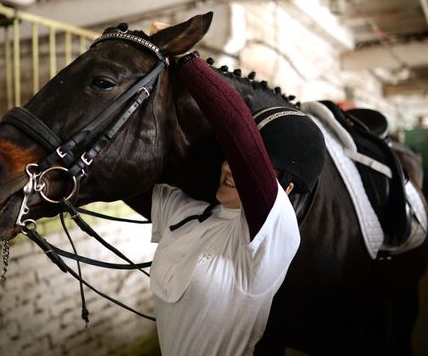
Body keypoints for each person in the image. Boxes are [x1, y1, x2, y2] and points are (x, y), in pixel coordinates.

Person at [127, 51, 325, 355]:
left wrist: (186, 59)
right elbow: (118, 175)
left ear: (286, 189)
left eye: (253, 168)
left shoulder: (274, 237)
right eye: (229, 159)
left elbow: (241, 139)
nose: (231, 168)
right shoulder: (186, 210)